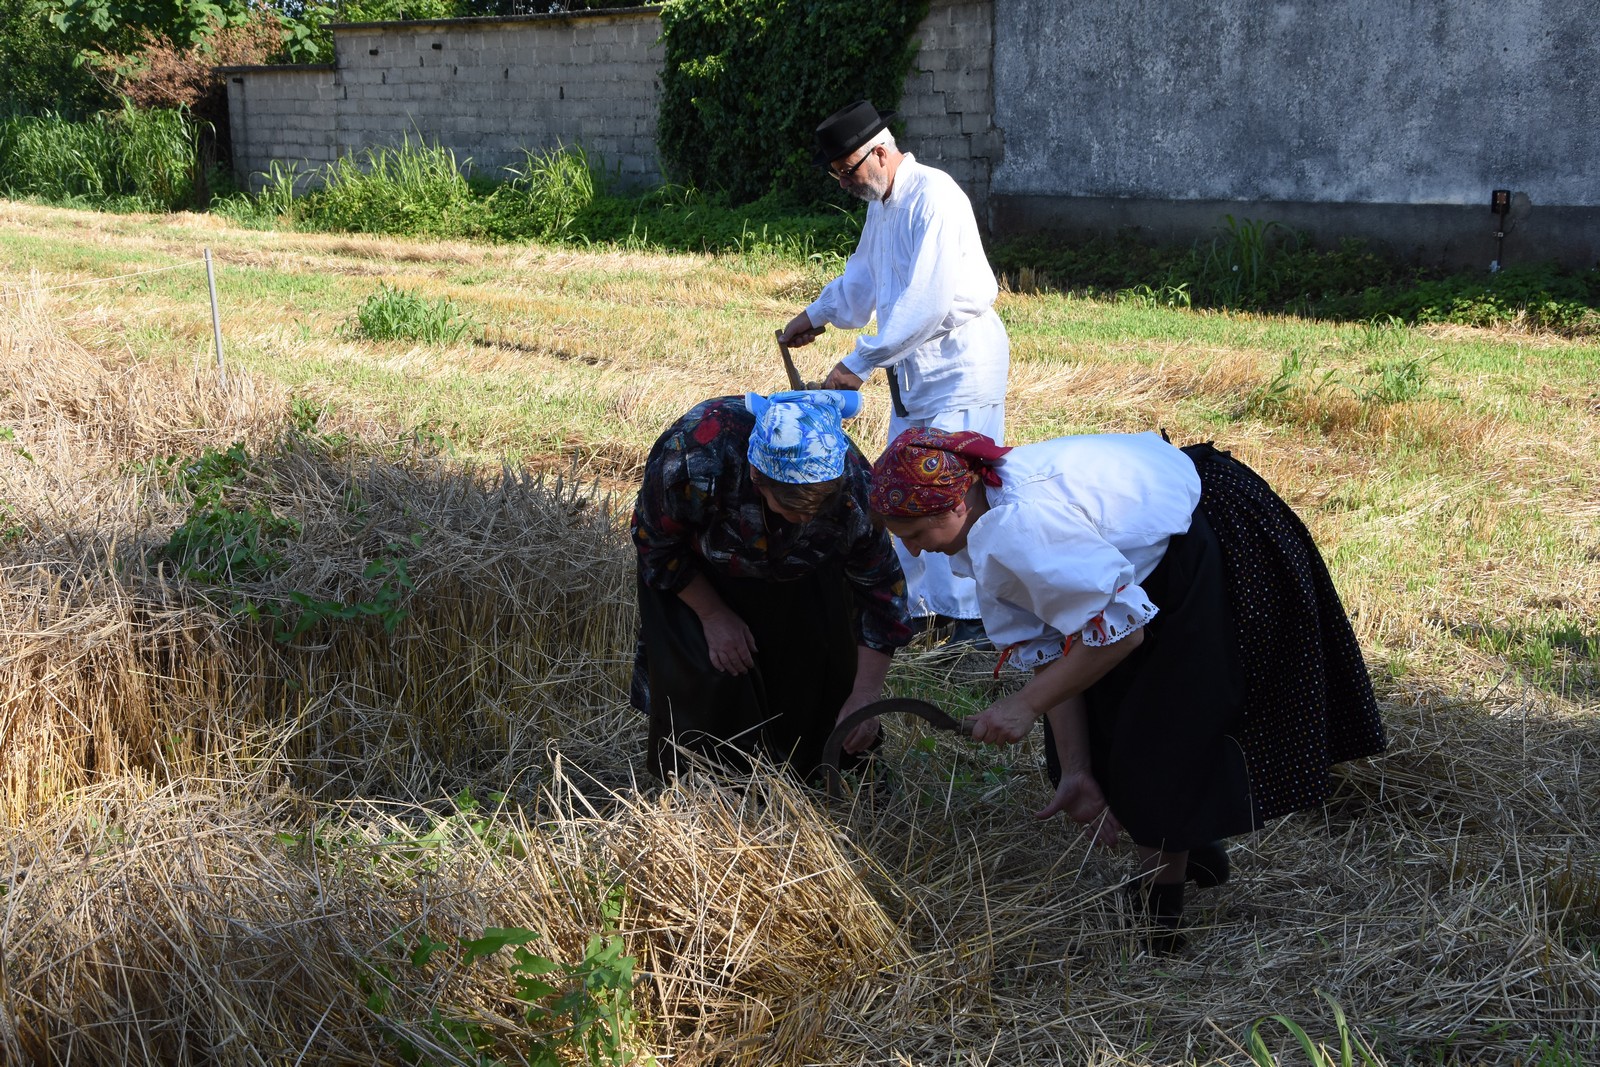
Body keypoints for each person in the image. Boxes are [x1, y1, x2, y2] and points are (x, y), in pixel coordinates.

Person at [868, 427, 1386, 950]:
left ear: (953, 504)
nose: (914, 551)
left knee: (1159, 739)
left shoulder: (1019, 526)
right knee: (1103, 725)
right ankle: (1189, 844)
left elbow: (1124, 633)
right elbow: (1055, 645)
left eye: (913, 535)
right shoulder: (987, 512)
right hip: (1150, 567)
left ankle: (1157, 923)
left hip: (1209, 535)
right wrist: (1074, 769)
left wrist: (1025, 705)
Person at [778, 99, 1009, 647]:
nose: (844, 184)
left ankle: (975, 622)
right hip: (916, 372)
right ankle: (921, 611)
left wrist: (859, 360)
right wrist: (815, 316)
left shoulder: (936, 196)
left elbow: (926, 303)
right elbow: (864, 279)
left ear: (879, 151)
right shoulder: (883, 204)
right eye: (836, 175)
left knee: (955, 493)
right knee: (902, 485)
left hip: (959, 367)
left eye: (847, 171)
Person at [629, 390, 914, 782]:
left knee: (819, 682)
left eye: (815, 511)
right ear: (756, 477)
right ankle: (707, 795)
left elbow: (881, 593)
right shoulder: (696, 456)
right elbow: (655, 543)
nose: (803, 519)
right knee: (709, 683)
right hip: (697, 571)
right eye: (792, 510)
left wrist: (865, 695)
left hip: (803, 572)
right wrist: (712, 616)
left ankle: (810, 783)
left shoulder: (855, 489)